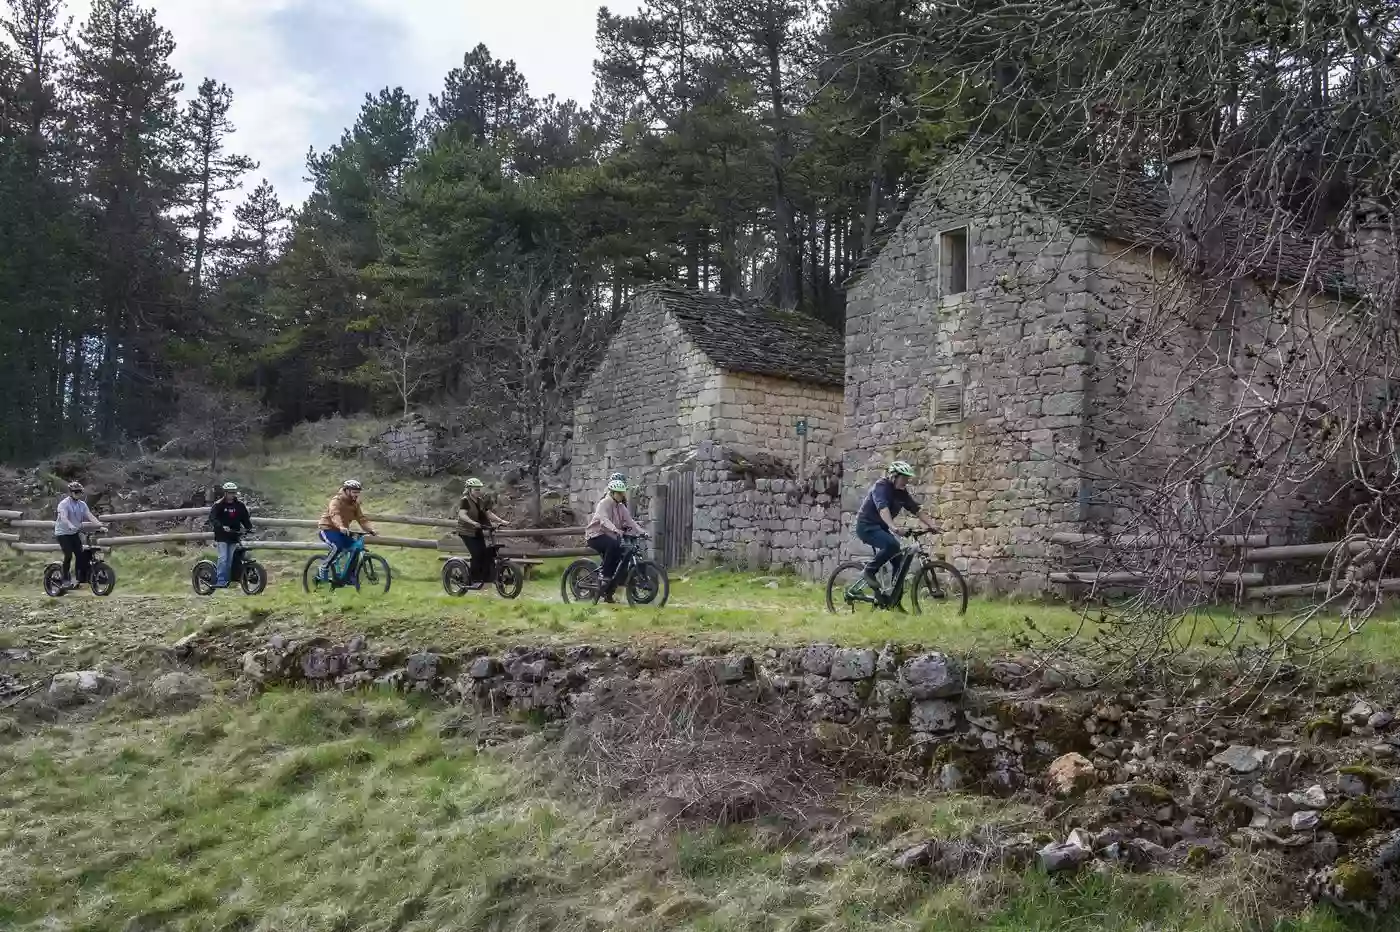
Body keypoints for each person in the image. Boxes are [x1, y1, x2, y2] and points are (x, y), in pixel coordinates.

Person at [855, 461, 941, 591]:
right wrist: (893, 527)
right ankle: (868, 571)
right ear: (894, 476)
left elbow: (916, 509)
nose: (906, 481)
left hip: (880, 528)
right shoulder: (881, 487)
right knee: (892, 545)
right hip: (866, 526)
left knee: (899, 561)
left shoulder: (901, 492)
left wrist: (932, 525)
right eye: (904, 478)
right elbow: (882, 508)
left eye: (907, 478)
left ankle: (894, 600)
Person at [584, 478, 645, 603]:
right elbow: (604, 520)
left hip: (610, 535)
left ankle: (609, 593)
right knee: (613, 545)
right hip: (595, 535)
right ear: (612, 493)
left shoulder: (621, 506)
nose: (622, 495)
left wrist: (642, 532)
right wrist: (615, 529)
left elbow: (630, 521)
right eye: (619, 493)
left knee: (620, 557)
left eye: (623, 493)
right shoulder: (604, 503)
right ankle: (604, 575)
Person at [316, 479, 378, 580]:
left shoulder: (355, 504)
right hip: (327, 529)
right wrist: (341, 526)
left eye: (358, 493)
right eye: (354, 492)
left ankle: (350, 577)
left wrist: (371, 530)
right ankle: (324, 567)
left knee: (356, 548)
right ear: (346, 490)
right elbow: (335, 514)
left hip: (342, 531)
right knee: (338, 547)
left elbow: (362, 519)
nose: (356, 495)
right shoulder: (336, 501)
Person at [53, 481, 106, 590]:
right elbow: (63, 517)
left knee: (80, 555)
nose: (78, 494)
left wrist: (100, 526)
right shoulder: (64, 504)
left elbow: (90, 516)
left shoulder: (82, 504)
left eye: (80, 492)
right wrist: (70, 525)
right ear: (71, 492)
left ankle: (78, 578)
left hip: (74, 532)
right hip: (62, 533)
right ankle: (65, 579)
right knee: (68, 555)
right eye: (76, 492)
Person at [456, 478, 509, 585]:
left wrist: (501, 521)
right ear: (469, 490)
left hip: (477, 531)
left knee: (485, 553)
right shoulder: (465, 500)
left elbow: (488, 513)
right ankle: (473, 578)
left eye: (479, 489)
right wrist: (472, 522)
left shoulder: (480, 501)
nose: (478, 491)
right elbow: (462, 515)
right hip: (466, 532)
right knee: (477, 554)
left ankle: (484, 576)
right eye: (476, 489)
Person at [209, 482, 254, 588]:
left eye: (233, 493)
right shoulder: (218, 505)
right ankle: (220, 580)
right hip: (222, 536)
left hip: (234, 535)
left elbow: (245, 519)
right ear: (225, 493)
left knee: (230, 560)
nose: (231, 495)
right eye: (229, 493)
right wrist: (221, 526)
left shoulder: (239, 506)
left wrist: (249, 528)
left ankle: (229, 579)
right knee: (223, 558)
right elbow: (212, 518)